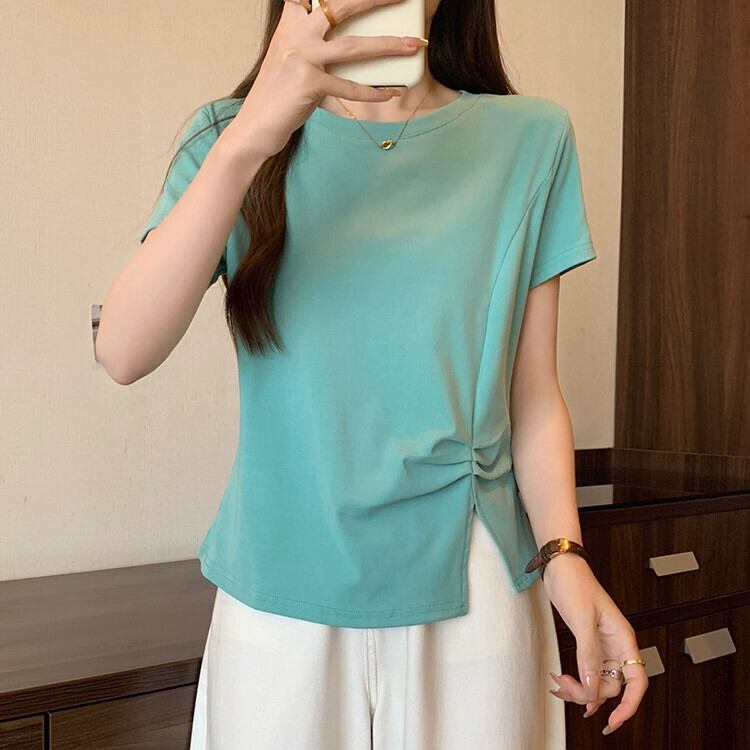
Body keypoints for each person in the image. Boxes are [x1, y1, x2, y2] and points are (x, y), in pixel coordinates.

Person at [96, 0, 649, 746]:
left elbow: (532, 395)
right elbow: (124, 351)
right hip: (278, 587)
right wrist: (250, 136)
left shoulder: (530, 137)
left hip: (472, 582)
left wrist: (565, 557)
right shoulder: (229, 133)